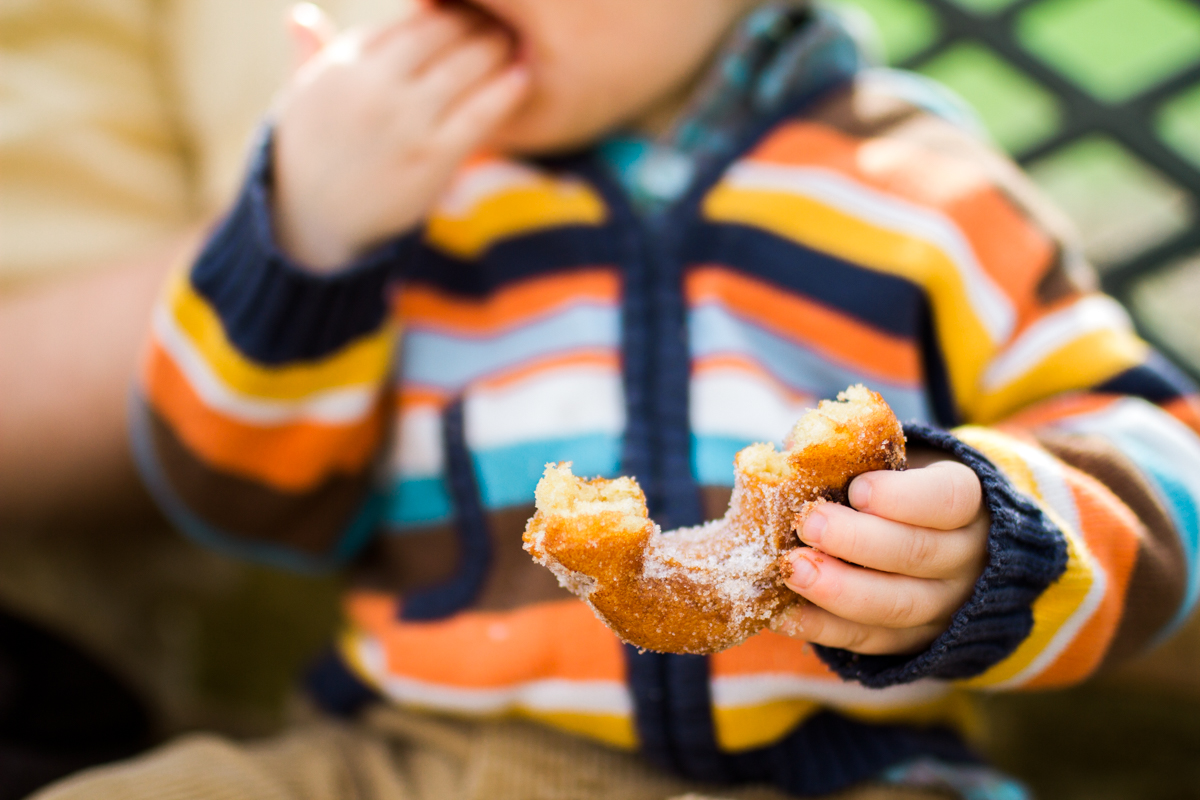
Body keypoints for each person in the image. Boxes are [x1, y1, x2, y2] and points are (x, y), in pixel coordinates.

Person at [36, 0, 1200, 798]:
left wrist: (998, 536)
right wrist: (303, 246)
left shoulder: (930, 195)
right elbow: (235, 494)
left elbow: (1160, 452)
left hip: (836, 766)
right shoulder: (405, 195)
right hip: (406, 754)